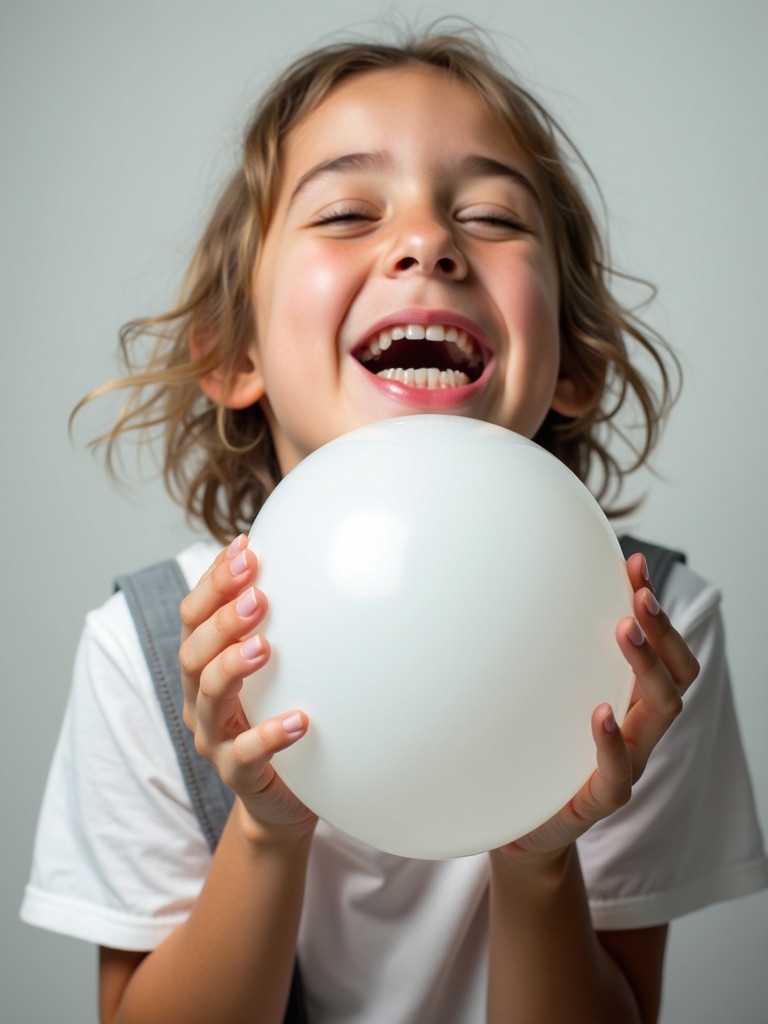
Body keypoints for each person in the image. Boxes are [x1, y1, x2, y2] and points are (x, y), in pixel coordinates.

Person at [21, 25, 768, 1024]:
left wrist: (540, 857)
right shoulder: (146, 653)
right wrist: (264, 828)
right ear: (233, 350)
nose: (428, 243)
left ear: (577, 362)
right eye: (344, 211)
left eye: (493, 215)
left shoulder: (649, 640)